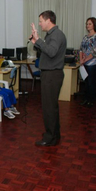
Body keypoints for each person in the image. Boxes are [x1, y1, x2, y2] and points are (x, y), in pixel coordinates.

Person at [30, 10, 67, 147]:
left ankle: (50, 137)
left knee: (49, 108)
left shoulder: (56, 35)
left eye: (40, 21)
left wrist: (39, 39)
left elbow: (51, 52)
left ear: (48, 20)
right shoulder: (52, 35)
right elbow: (46, 51)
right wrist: (36, 41)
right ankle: (54, 134)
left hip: (52, 75)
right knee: (51, 107)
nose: (39, 24)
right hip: (50, 74)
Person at [79, 17, 96, 107]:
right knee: (86, 83)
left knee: (91, 83)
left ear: (94, 25)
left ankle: (91, 100)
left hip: (93, 63)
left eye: (90, 24)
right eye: (87, 24)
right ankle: (86, 99)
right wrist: (81, 59)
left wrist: (85, 60)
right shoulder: (85, 37)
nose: (87, 25)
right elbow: (81, 49)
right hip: (85, 63)